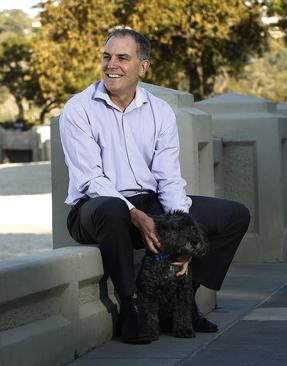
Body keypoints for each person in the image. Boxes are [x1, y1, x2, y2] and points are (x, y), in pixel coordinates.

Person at [59, 28, 251, 345]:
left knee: (233, 215)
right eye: (107, 57)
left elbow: (168, 176)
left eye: (123, 57)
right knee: (111, 208)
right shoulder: (78, 109)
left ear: (143, 67)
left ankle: (185, 297)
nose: (112, 65)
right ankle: (130, 306)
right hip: (93, 210)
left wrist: (182, 228)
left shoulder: (159, 111)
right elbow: (90, 179)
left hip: (150, 205)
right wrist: (133, 213)